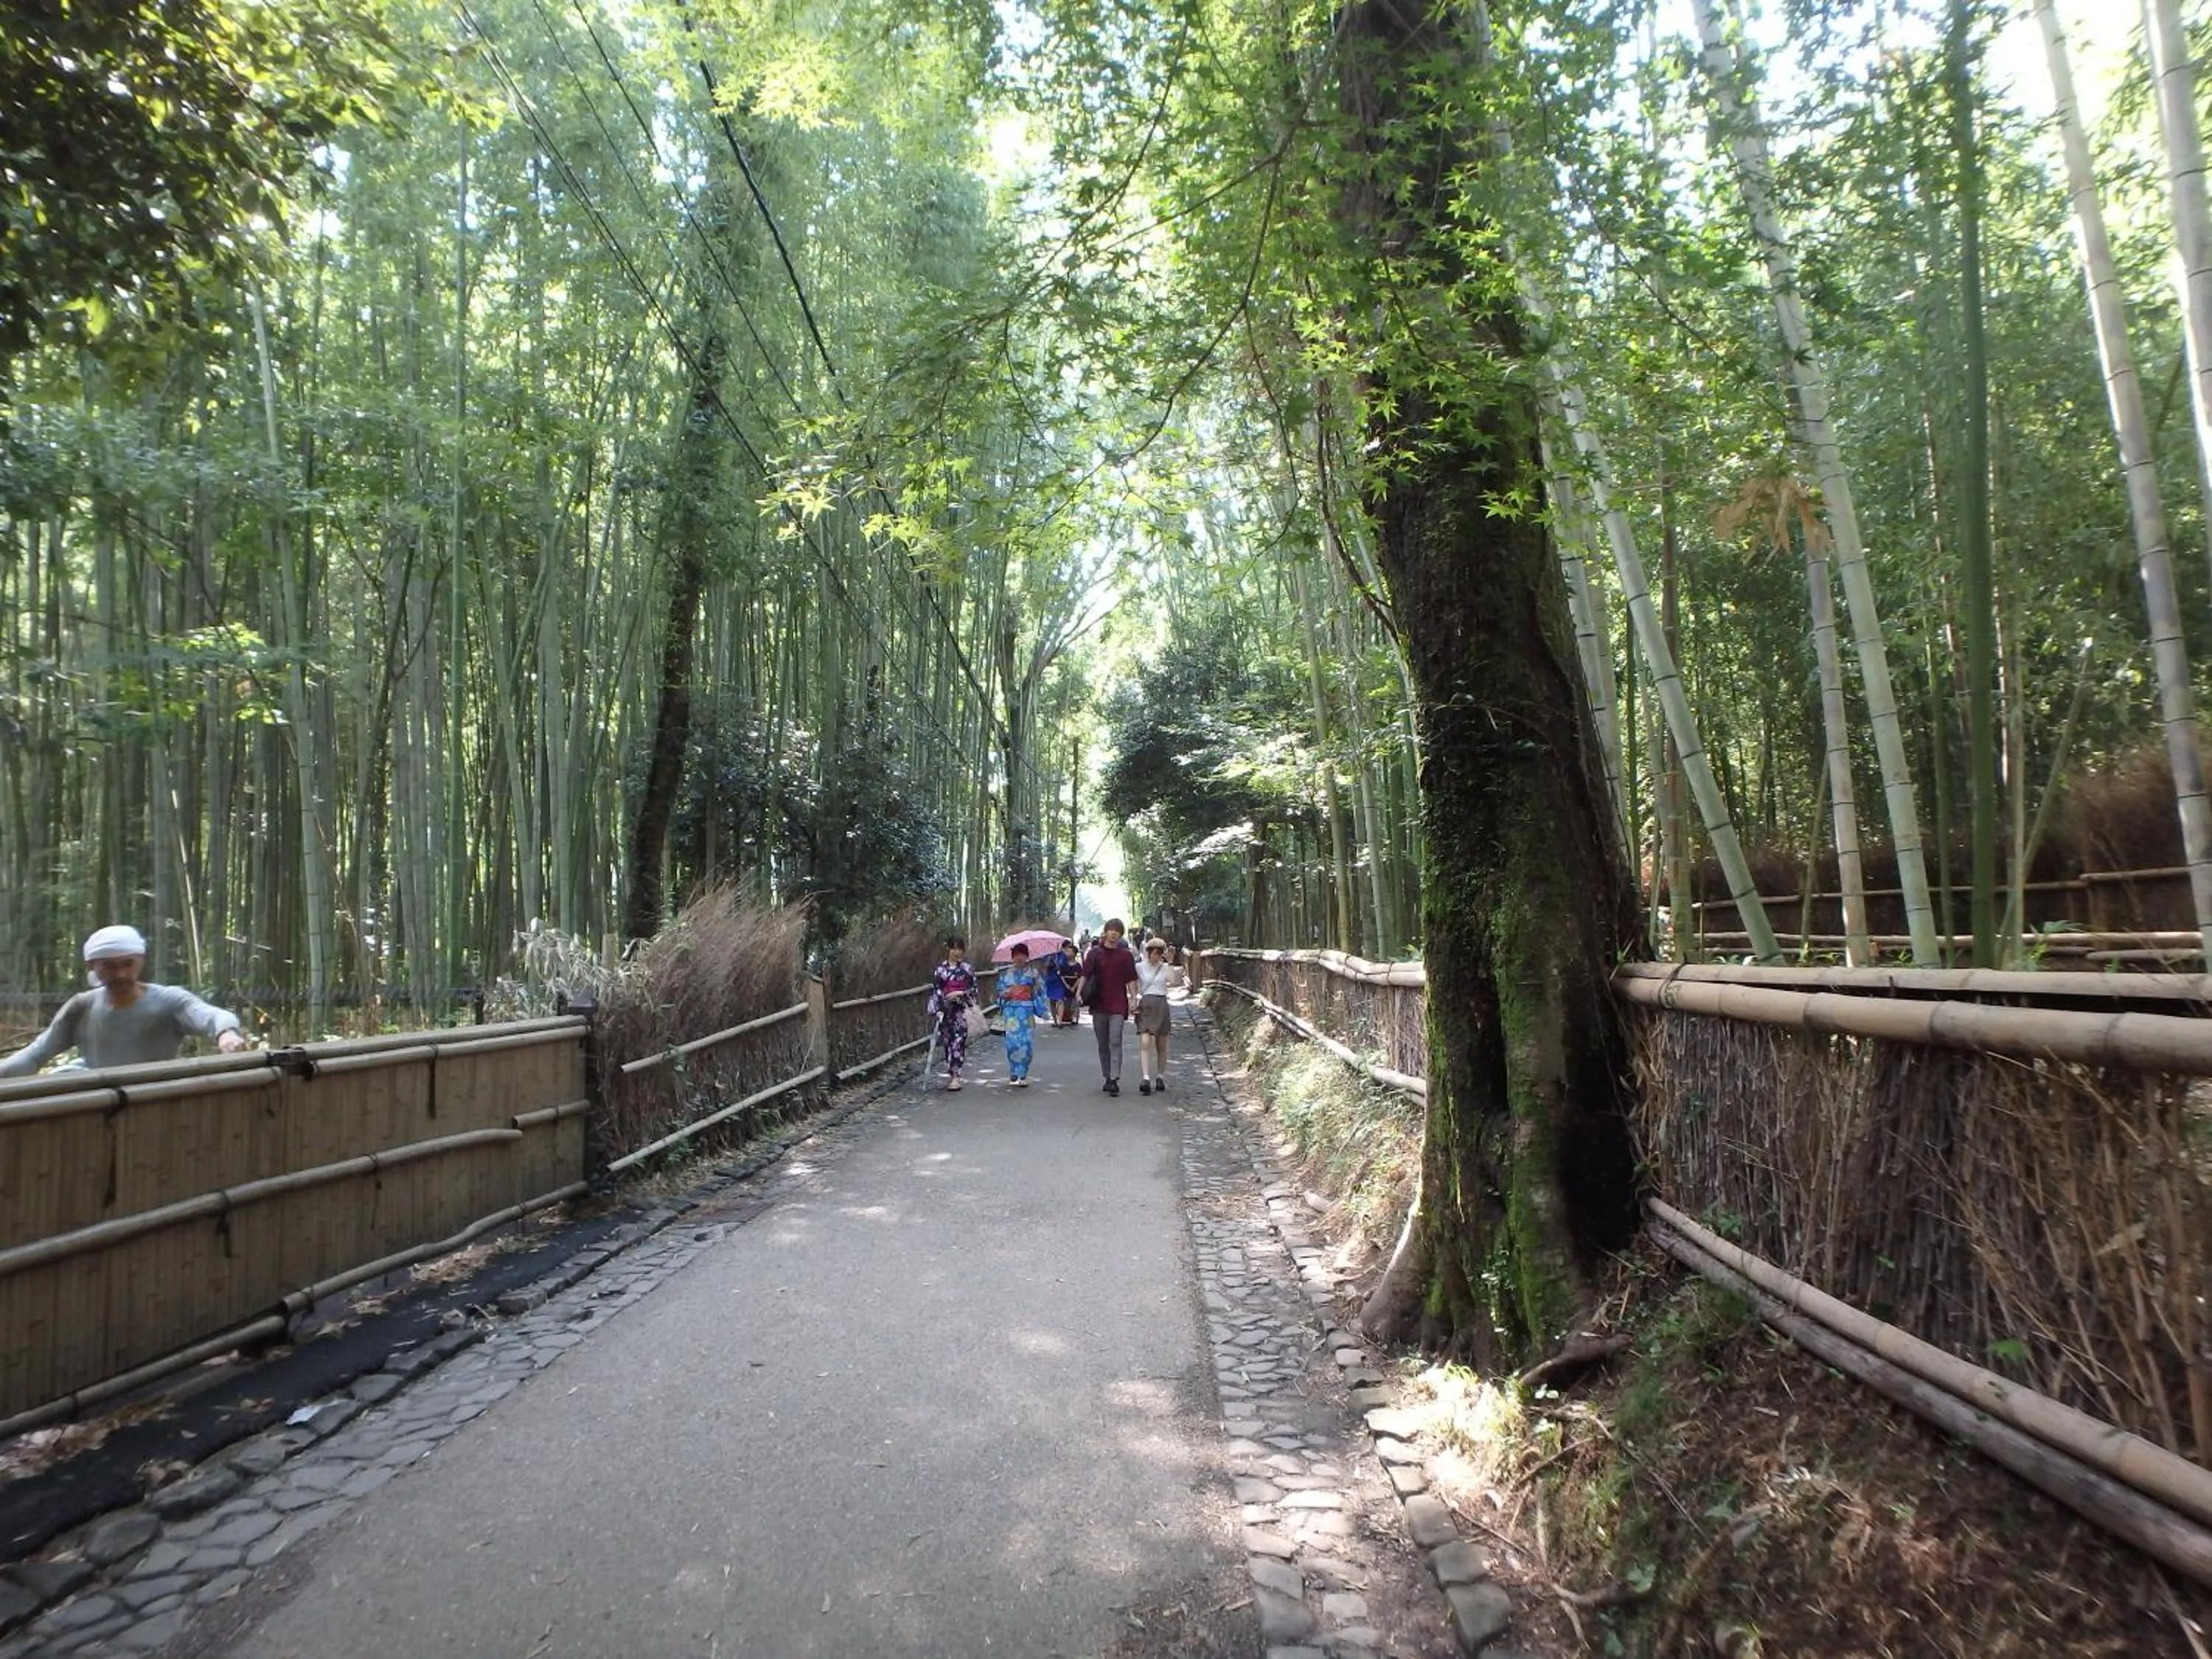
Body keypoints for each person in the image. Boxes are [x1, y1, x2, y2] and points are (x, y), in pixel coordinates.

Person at [0, 925, 248, 1077]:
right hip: (95, 1100)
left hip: (155, 1097)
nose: (120, 973)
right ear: (92, 966)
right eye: (109, 966)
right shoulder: (82, 1006)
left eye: (128, 964)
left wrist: (226, 1033)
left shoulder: (169, 1000)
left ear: (141, 961)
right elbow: (36, 1054)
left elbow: (212, 1016)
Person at [1074, 918, 1141, 1096]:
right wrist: (1079, 993)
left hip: (1118, 1003)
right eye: (1111, 930)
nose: (1114, 933)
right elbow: (1085, 974)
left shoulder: (1125, 956)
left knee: (1115, 1040)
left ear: (1120, 935)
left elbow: (1131, 979)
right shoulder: (1094, 953)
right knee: (1103, 1043)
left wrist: (1134, 998)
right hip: (1099, 1003)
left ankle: (1114, 1078)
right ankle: (1106, 1075)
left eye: (1117, 931)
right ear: (1106, 931)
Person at [1132, 936, 1183, 1095]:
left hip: (1161, 1004)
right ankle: (1146, 1077)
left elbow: (1173, 981)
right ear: (1147, 952)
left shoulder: (1164, 967)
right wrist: (1133, 1000)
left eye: (1159, 953)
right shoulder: (1140, 967)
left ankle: (1160, 1076)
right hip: (1146, 1004)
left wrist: (1170, 963)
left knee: (1161, 1044)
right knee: (1145, 1041)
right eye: (1153, 952)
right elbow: (1133, 984)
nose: (1155, 956)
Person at [927, 933, 978, 1091]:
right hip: (946, 1012)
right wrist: (937, 1009)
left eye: (960, 949)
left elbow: (974, 990)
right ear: (949, 949)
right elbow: (936, 991)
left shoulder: (967, 970)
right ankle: (952, 1074)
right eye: (954, 949)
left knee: (958, 1043)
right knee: (948, 1044)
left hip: (961, 1012)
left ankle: (956, 1077)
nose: (957, 952)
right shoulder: (940, 971)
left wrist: (960, 993)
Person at [995, 943, 1044, 1087]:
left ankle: (1023, 1074)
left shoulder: (1033, 973)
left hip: (1027, 1010)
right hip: (1011, 1010)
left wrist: (1035, 988)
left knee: (1026, 1043)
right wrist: (1004, 994)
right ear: (1012, 957)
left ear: (1027, 956)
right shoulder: (1006, 974)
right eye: (1017, 955)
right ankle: (1013, 1070)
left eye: (1022, 954)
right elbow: (999, 992)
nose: (1020, 958)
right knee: (1012, 1043)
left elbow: (1040, 991)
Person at [1040, 939, 1074, 1029]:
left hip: (1059, 980)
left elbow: (1062, 966)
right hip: (1050, 980)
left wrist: (1055, 963)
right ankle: (1055, 1021)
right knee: (1052, 1001)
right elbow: (1043, 967)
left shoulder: (1062, 955)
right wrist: (1048, 962)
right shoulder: (1046, 955)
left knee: (1060, 1000)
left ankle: (1060, 1021)